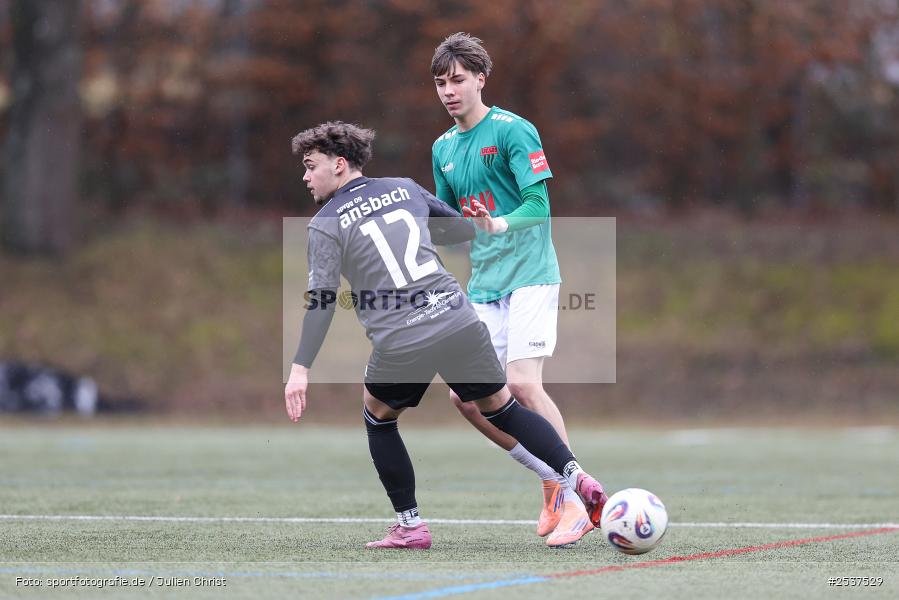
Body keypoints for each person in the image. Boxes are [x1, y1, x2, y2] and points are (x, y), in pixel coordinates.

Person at [284, 121, 607, 550]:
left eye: (311, 166)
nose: (306, 176)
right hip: (457, 318)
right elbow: (459, 231)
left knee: (378, 418)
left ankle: (410, 525)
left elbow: (323, 300)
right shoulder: (405, 188)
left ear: (339, 164)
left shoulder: (324, 223)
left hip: (402, 338)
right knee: (502, 408)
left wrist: (300, 367)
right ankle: (575, 477)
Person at [429, 33, 604, 546]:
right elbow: (450, 225)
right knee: (466, 397)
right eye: (441, 82)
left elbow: (538, 206)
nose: (449, 90)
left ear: (481, 79)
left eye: (458, 80)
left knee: (523, 384)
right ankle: (550, 475)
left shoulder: (512, 130)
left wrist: (498, 224)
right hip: (484, 285)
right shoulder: (442, 148)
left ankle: (577, 500)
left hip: (530, 275)